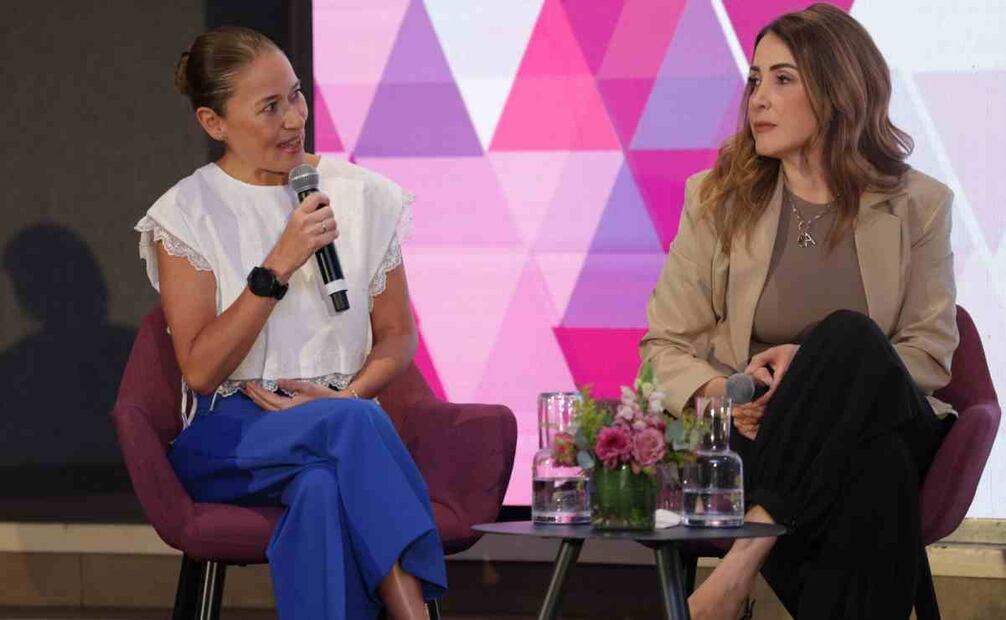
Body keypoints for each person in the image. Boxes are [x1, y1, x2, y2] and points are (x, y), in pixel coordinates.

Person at [641, 5, 956, 619]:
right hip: (758, 429)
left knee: (848, 340)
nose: (759, 98)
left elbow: (928, 352)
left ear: (839, 91)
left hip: (884, 407)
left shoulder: (919, 205)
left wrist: (814, 364)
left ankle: (736, 571)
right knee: (876, 467)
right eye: (756, 79)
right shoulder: (714, 198)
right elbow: (663, 348)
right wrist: (727, 389)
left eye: (783, 79)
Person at [134, 26, 444, 620]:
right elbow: (199, 371)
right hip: (235, 432)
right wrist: (278, 263)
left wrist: (342, 397)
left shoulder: (364, 195)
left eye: (296, 95)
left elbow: (398, 336)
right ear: (214, 122)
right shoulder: (187, 212)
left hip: (343, 422)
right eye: (269, 107)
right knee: (350, 429)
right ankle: (415, 614)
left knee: (322, 491)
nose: (292, 119)